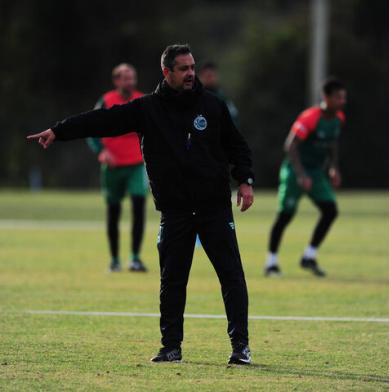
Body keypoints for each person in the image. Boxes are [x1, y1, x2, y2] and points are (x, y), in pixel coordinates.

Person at [27, 44, 255, 365]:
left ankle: (240, 347)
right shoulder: (147, 109)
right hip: (175, 211)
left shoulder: (213, 106)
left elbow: (238, 146)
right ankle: (171, 347)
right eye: (183, 68)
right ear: (167, 72)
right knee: (172, 281)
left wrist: (245, 180)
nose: (191, 73)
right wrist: (59, 131)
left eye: (192, 67)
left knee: (231, 276)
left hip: (214, 207)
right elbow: (101, 121)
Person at [264, 78, 347, 277]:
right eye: (338, 97)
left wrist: (333, 167)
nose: (342, 101)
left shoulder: (339, 118)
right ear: (325, 98)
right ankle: (271, 263)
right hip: (295, 171)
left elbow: (333, 143)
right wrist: (301, 175)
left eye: (344, 97)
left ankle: (309, 256)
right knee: (285, 216)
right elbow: (290, 145)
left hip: (316, 172)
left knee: (330, 210)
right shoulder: (310, 117)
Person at [86, 63, 148, 273]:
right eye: (125, 78)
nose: (129, 82)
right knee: (114, 211)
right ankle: (114, 259)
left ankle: (135, 258)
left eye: (132, 78)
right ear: (116, 81)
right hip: (112, 167)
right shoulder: (106, 101)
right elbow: (90, 127)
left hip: (137, 165)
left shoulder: (142, 101)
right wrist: (101, 151)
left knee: (139, 208)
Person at [198, 62, 239, 126]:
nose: (210, 79)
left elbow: (233, 117)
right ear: (200, 77)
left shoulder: (223, 98)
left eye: (212, 76)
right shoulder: (196, 97)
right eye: (207, 76)